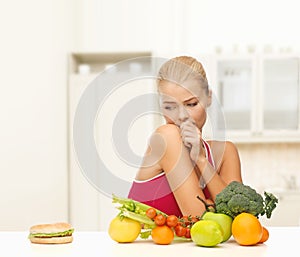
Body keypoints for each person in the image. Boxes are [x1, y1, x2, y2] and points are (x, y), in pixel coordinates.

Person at [128, 56, 242, 217]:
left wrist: (201, 160)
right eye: (170, 107)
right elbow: (197, 218)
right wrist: (213, 206)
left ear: (209, 97)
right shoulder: (166, 137)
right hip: (144, 242)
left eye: (191, 104)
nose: (181, 116)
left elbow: (241, 219)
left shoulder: (226, 152)